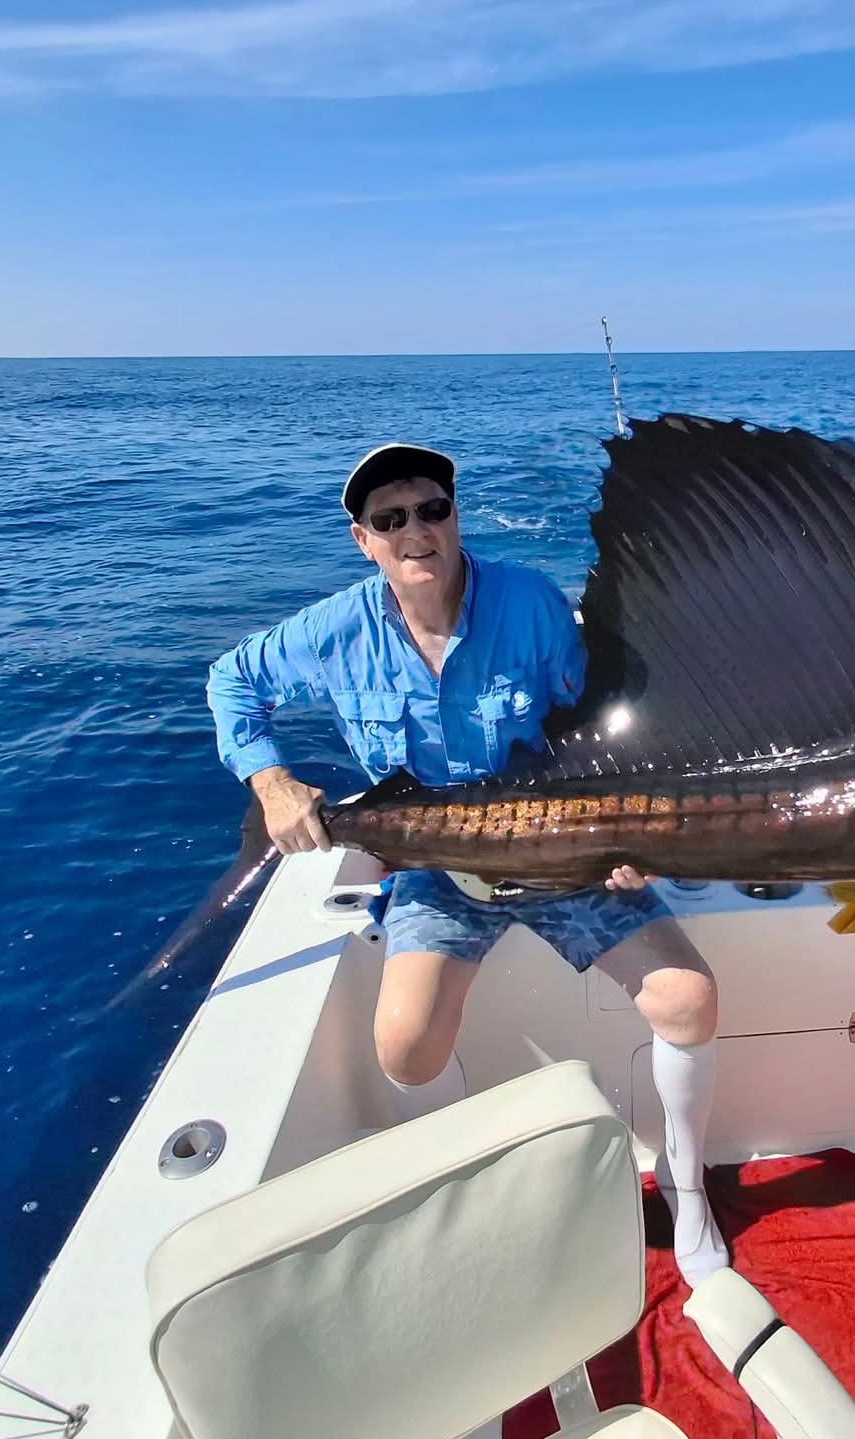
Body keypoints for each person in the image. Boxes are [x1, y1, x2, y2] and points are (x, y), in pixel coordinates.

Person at [205, 442, 729, 1287]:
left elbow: (597, 723)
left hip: (563, 849)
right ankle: (476, 1186)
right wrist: (269, 781)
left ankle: (685, 1179)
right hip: (431, 866)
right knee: (405, 1047)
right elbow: (231, 682)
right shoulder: (335, 628)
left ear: (456, 517)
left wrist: (630, 842)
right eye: (391, 520)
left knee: (689, 1000)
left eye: (432, 510)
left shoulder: (529, 603)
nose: (416, 531)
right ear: (363, 540)